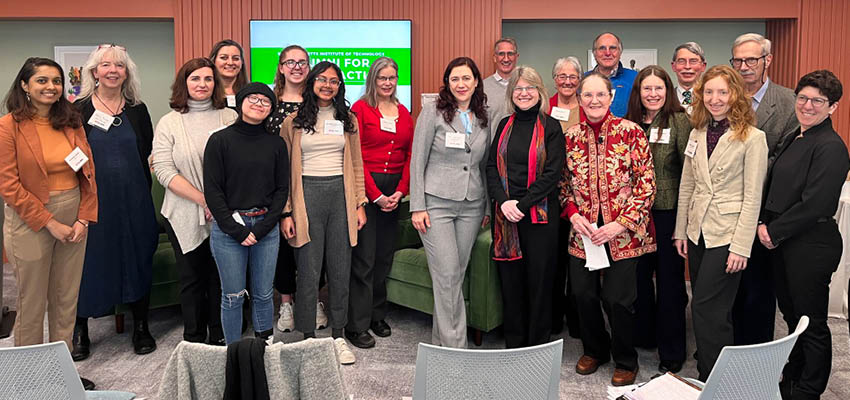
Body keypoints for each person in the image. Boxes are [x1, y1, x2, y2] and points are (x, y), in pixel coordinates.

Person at [0, 57, 97, 389]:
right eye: (42, 81)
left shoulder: (71, 120)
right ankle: (27, 378)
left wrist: (85, 216)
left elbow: (87, 172)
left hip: (74, 212)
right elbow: (9, 185)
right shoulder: (8, 126)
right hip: (30, 218)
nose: (51, 87)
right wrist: (51, 223)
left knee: (65, 297)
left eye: (56, 81)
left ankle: (61, 372)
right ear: (25, 85)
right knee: (32, 301)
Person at [560, 72, 655, 386]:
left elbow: (646, 186)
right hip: (584, 232)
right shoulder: (571, 136)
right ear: (580, 99)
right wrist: (574, 216)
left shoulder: (632, 133)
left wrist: (618, 225)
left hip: (624, 233)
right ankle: (594, 349)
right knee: (582, 294)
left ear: (611, 97)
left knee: (617, 299)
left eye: (600, 95)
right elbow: (563, 186)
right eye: (587, 95)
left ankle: (626, 359)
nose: (594, 101)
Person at [673, 65, 768, 381]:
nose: (715, 99)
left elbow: (753, 197)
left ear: (735, 95)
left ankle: (713, 380)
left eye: (722, 92)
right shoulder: (697, 133)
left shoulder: (753, 138)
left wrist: (742, 247)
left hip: (727, 236)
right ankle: (711, 365)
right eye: (709, 92)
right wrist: (681, 231)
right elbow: (688, 184)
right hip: (698, 232)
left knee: (706, 308)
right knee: (707, 306)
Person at [758, 70, 848, 400]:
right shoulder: (797, 135)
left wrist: (773, 231)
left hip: (811, 244)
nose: (808, 105)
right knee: (793, 317)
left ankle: (809, 389)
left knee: (812, 323)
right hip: (785, 241)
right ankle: (793, 374)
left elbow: (816, 204)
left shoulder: (831, 147)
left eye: (817, 101)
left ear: (832, 107)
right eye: (803, 98)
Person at [71, 44, 159, 360]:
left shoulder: (137, 110)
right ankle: (79, 328)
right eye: (106, 65)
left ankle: (141, 326)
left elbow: (147, 149)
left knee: (138, 258)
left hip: (135, 199)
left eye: (119, 66)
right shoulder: (78, 110)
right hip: (94, 201)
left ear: (126, 73)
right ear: (94, 72)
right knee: (89, 262)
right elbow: (70, 157)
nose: (112, 70)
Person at [279, 61, 367, 365]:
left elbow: (357, 164)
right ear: (312, 82)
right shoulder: (292, 122)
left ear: (340, 86)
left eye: (334, 81)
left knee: (341, 269)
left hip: (341, 197)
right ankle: (308, 339)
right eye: (322, 80)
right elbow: (284, 173)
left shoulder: (348, 119)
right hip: (306, 198)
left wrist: (360, 202)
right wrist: (286, 212)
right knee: (308, 270)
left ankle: (338, 335)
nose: (328, 85)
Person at [152, 57, 237, 345]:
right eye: (195, 79)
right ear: (184, 83)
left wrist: (218, 205)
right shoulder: (169, 122)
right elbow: (163, 170)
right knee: (191, 279)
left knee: (221, 278)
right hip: (183, 211)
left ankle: (220, 334)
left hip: (224, 213)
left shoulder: (229, 118)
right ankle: (194, 338)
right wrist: (204, 200)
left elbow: (241, 165)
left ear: (216, 84)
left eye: (208, 79)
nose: (202, 84)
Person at [410, 57, 490, 348]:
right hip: (436, 205)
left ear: (476, 82)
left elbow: (484, 165)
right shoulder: (432, 111)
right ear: (447, 83)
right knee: (446, 275)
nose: (461, 84)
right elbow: (417, 160)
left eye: (466, 78)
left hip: (472, 204)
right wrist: (417, 206)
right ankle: (458, 350)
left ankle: (440, 344)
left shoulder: (484, 115)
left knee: (455, 275)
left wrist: (488, 209)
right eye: (455, 79)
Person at [203, 83, 289, 345]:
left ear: (271, 109)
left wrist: (262, 229)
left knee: (263, 294)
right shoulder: (219, 140)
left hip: (266, 227)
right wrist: (237, 230)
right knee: (232, 296)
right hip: (229, 229)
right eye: (253, 98)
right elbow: (213, 192)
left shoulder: (276, 144)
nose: (259, 104)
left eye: (266, 101)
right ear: (240, 103)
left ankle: (265, 347)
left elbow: (281, 190)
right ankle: (233, 352)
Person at [486, 66, 565, 348]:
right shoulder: (504, 124)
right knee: (511, 284)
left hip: (539, 217)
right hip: (506, 216)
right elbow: (491, 167)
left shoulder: (551, 127)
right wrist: (503, 201)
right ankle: (515, 344)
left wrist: (522, 203)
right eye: (518, 89)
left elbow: (552, 174)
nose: (524, 93)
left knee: (539, 284)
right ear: (512, 94)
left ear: (539, 92)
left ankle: (537, 346)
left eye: (530, 87)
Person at [729, 32, 799, 346]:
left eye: (751, 60)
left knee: (759, 286)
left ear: (767, 60)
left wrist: (744, 168)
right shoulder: (723, 96)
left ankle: (754, 350)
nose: (744, 67)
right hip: (726, 207)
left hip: (765, 209)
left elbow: (787, 159)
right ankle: (724, 346)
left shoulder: (788, 102)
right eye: (738, 60)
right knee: (728, 283)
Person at [624, 65, 691, 373]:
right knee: (638, 280)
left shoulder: (679, 122)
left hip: (667, 213)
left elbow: (689, 173)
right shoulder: (628, 124)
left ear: (668, 91)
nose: (652, 94)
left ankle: (672, 351)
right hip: (635, 216)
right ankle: (644, 335)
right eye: (646, 89)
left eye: (658, 89)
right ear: (638, 92)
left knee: (670, 284)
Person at [346, 57, 414, 348]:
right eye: (382, 78)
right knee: (364, 259)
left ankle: (377, 315)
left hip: (395, 190)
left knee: (384, 257)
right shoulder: (359, 110)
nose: (387, 83)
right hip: (367, 189)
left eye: (392, 77)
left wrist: (401, 190)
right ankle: (357, 324)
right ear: (372, 79)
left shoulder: (403, 111)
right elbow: (355, 154)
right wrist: (374, 194)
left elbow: (412, 154)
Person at [266, 45, 330, 334]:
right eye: (290, 62)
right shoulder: (268, 102)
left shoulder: (318, 102)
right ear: (280, 67)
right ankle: (287, 304)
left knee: (313, 248)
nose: (296, 67)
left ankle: (313, 300)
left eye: (302, 62)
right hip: (274, 188)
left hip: (312, 187)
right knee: (281, 249)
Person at [548, 56, 583, 337]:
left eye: (572, 76)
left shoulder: (588, 107)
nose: (567, 81)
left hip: (582, 196)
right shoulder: (544, 107)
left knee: (580, 260)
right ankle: (554, 314)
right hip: (550, 192)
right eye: (562, 76)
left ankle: (578, 317)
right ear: (554, 79)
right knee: (556, 257)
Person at [587, 32, 637, 117]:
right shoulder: (584, 80)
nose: (607, 53)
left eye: (612, 48)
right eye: (602, 48)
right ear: (595, 53)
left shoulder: (636, 78)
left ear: (620, 52)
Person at [483, 38, 519, 127]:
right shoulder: (482, 88)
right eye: (501, 54)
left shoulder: (525, 87)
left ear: (516, 57)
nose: (506, 59)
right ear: (495, 58)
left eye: (510, 54)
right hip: (492, 141)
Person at [209, 39, 249, 110]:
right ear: (213, 61)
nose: (230, 62)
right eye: (224, 58)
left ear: (242, 62)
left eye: (235, 58)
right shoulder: (206, 92)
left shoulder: (250, 94)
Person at [671, 42, 706, 110]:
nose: (687, 66)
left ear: (703, 66)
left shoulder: (711, 99)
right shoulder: (665, 98)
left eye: (693, 61)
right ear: (673, 66)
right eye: (681, 61)